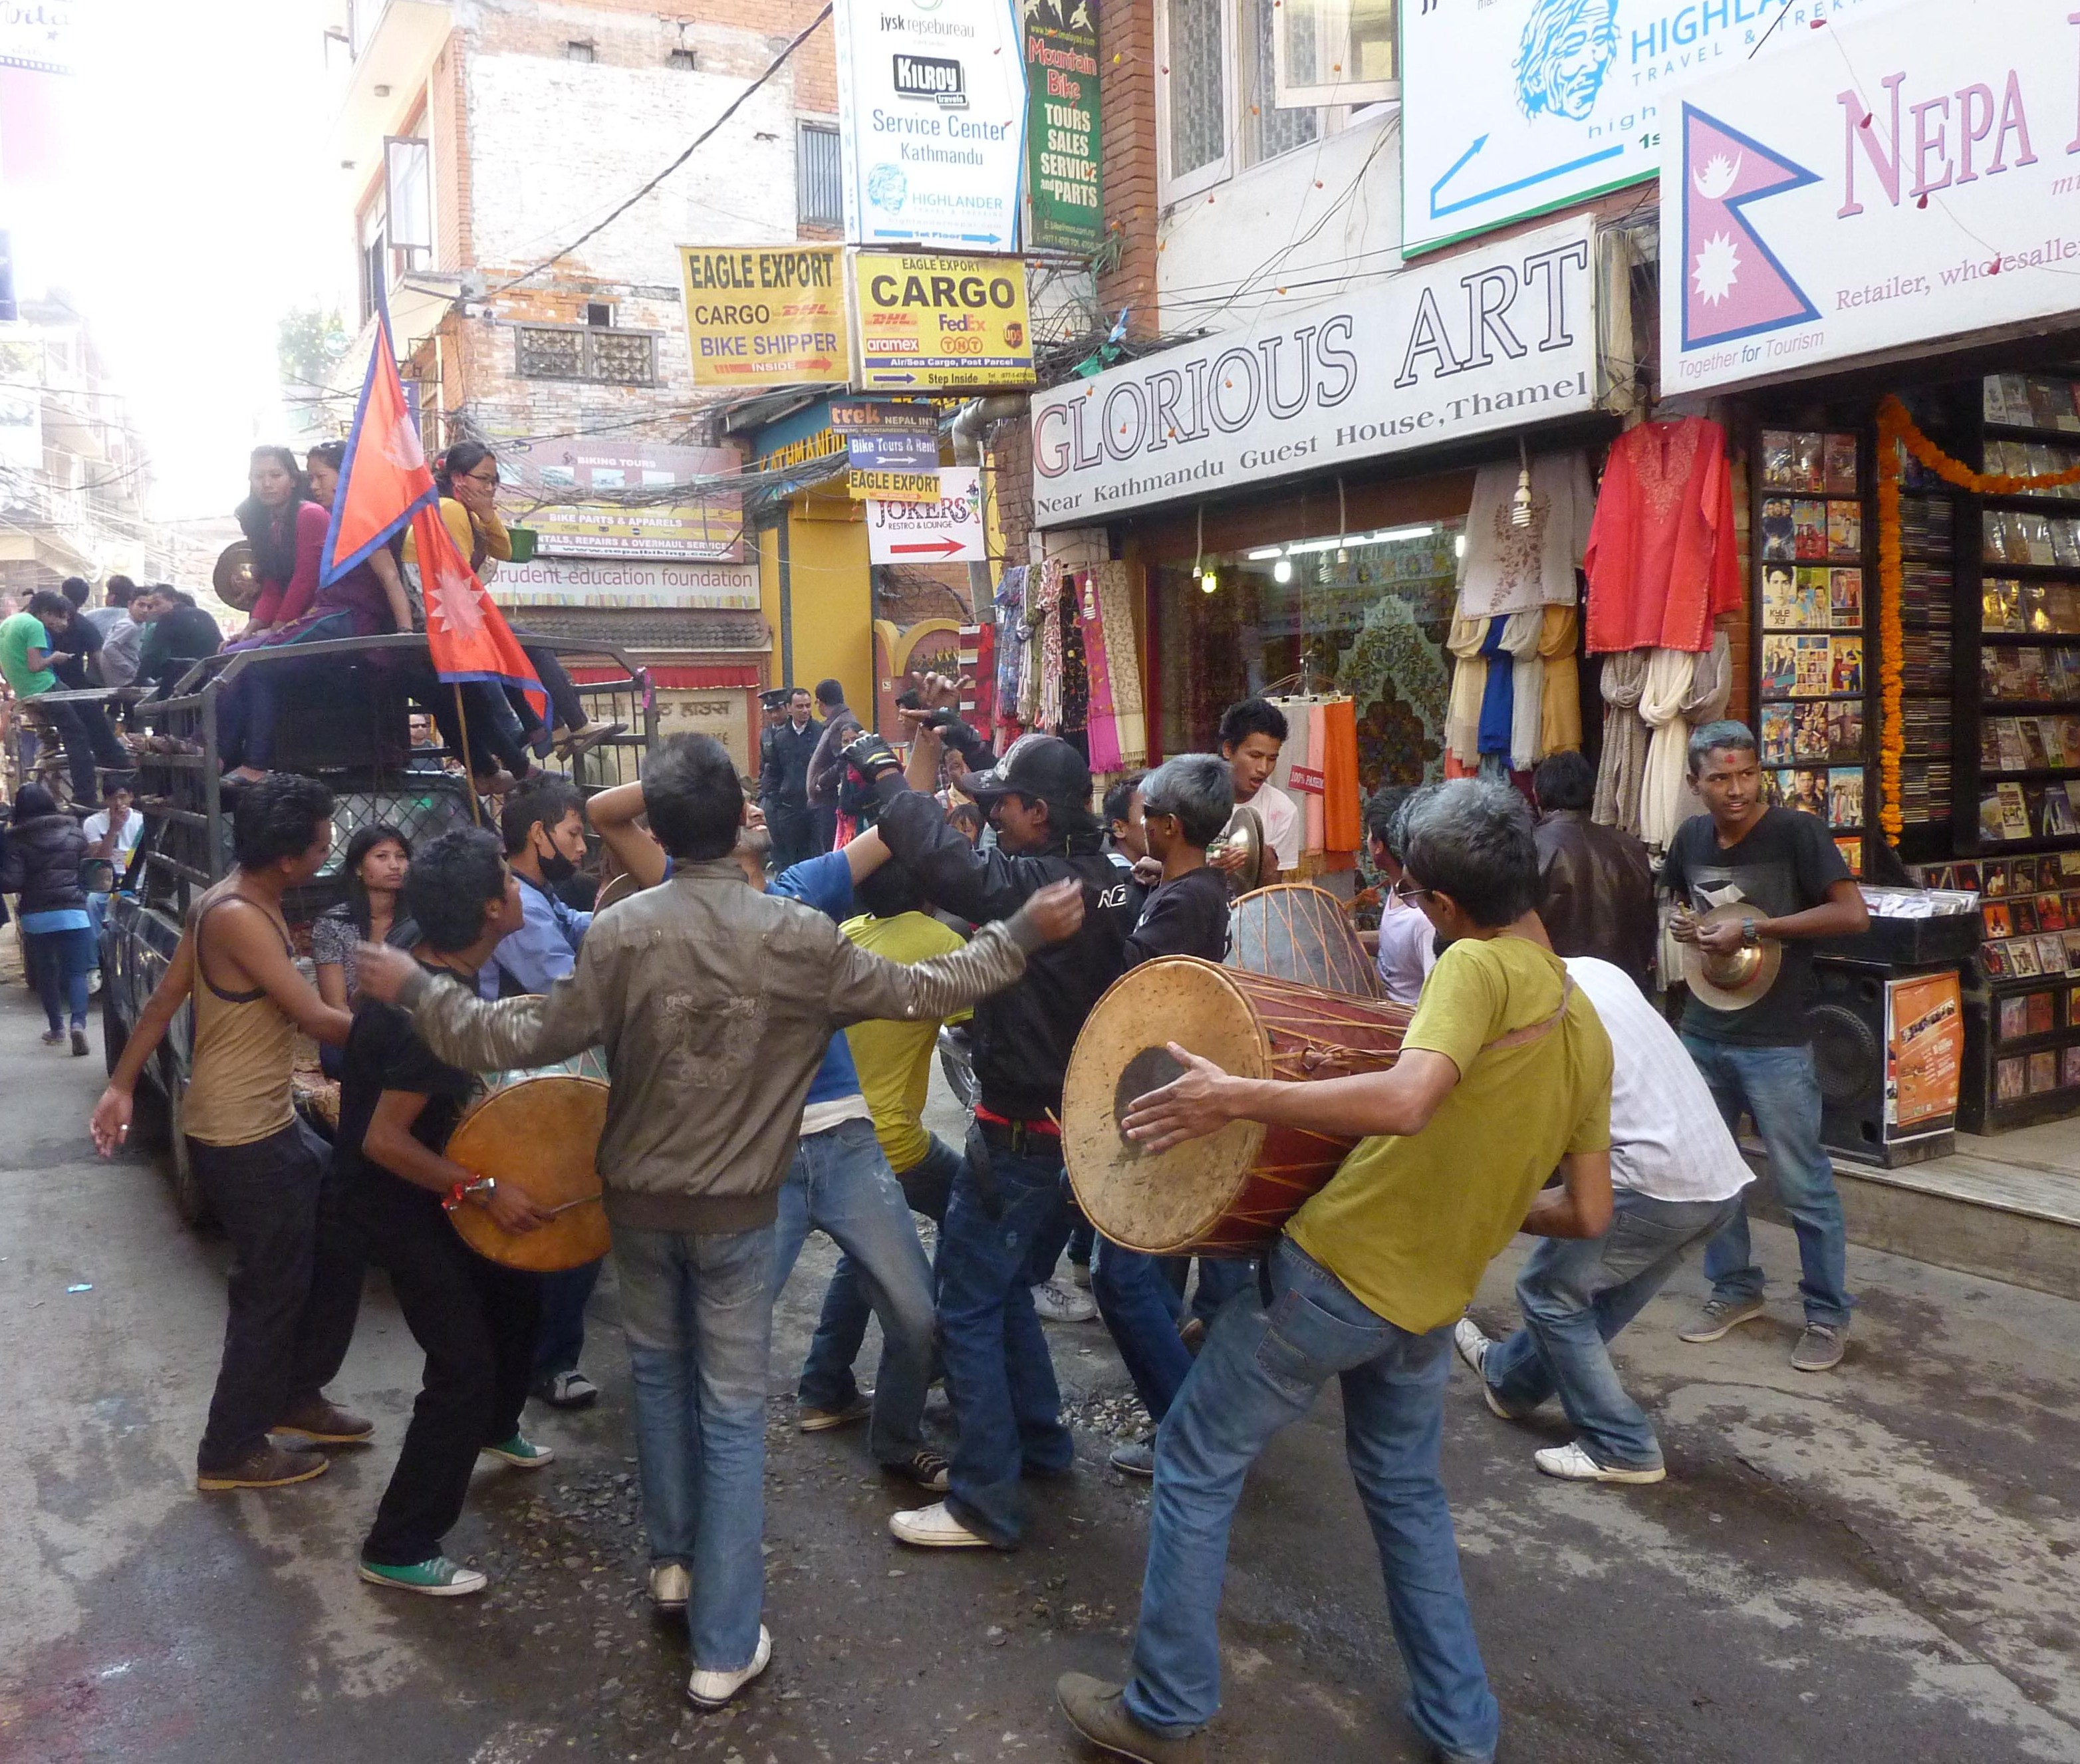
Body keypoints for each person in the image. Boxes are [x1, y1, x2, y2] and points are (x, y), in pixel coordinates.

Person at [353, 732, 1083, 1706]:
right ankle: (724, 1643)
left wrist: (416, 988)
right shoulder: (796, 934)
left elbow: (512, 1034)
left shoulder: (622, 931)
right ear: (740, 815)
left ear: (655, 827)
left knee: (662, 1383)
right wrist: (1021, 930)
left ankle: (674, 1565)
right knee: (731, 1412)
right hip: (738, 1207)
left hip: (639, 1206)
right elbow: (929, 988)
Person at [1055, 779, 1614, 1764]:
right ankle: (1462, 1731)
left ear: (1442, 904)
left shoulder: (1474, 966)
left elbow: (1406, 1100)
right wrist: (1480, 1198)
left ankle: (1164, 1708)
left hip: (1335, 1274)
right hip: (1428, 1300)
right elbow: (1586, 1212)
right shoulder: (1586, 1022)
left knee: (1194, 1456)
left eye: (1415, 896)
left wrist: (1238, 1094)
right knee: (1405, 1495)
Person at [585, 773, 955, 1488]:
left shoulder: (802, 889)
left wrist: (920, 750)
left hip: (847, 1142)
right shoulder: (677, 892)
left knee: (916, 1316)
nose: (755, 808)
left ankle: (896, 1437)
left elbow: (901, 815)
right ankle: (700, 1482)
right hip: (757, 1158)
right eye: (739, 806)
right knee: (721, 1337)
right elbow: (604, 811)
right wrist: (699, 776)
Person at [858, 722, 1146, 1552]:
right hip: (1062, 1123)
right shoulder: (1111, 880)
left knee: (966, 1303)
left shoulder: (1042, 884)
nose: (990, 817)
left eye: (1003, 805)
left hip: (1021, 1128)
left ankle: (983, 1499)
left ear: (1038, 813)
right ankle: (1039, 1441)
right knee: (1004, 1286)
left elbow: (948, 865)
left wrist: (889, 775)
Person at [89, 773, 368, 1491]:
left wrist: (121, 1083)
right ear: (289, 857)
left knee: (340, 1230)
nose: (329, 848)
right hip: (242, 1135)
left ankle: (296, 1392)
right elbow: (317, 1017)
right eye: (323, 841)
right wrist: (425, 1024)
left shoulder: (236, 897)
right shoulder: (236, 914)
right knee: (270, 1289)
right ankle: (230, 1448)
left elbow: (162, 1000)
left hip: (269, 1120)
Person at [337, 828, 557, 1597]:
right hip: (393, 1198)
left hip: (430, 1179)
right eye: (509, 880)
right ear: (491, 910)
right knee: (461, 1365)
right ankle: (398, 1541)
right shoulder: (432, 1018)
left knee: (517, 1289)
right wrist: (484, 1188)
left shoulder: (429, 958)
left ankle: (495, 1426)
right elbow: (383, 1140)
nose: (520, 889)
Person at [1452, 953, 1754, 1483]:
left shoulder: (1530, 1009)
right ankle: (1511, 1380)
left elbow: (1531, 1132)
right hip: (1715, 1178)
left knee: (1549, 1292)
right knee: (1600, 1293)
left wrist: (1488, 1202)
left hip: (1654, 1182)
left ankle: (1622, 1443)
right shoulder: (1592, 968)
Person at [1664, 719, 1870, 1374]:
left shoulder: (1796, 832)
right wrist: (1687, 926)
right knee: (1711, 1174)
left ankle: (1826, 1314)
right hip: (1703, 1031)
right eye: (1720, 778)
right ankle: (1734, 1290)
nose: (1736, 789)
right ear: (1694, 782)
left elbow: (1852, 914)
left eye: (1747, 774)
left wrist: (1754, 927)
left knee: (1802, 1183)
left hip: (1777, 1041)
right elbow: (1683, 903)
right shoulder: (1690, 838)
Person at [1088, 755, 1237, 1479]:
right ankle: (1191, 1402)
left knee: (1118, 1274)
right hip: (1164, 1092)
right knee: (1143, 1267)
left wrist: (1101, 912)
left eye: (1146, 816)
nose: (1137, 827)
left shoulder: (1185, 902)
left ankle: (1189, 1433)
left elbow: (1131, 975)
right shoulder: (1193, 889)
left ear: (1170, 826)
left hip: (1159, 1096)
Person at [476, 775, 600, 1410]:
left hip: (538, 1072)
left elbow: (578, 925)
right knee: (568, 1211)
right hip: (523, 1082)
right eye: (574, 833)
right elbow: (565, 987)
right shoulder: (516, 904)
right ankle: (548, 1362)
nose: (581, 847)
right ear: (537, 833)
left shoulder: (537, 894)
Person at [402, 443, 618, 763]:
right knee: (532, 646)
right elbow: (455, 577)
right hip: (439, 615)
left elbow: (504, 550)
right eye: (482, 479)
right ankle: (574, 726)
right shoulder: (450, 510)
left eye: (494, 481)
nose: (489, 488)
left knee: (521, 647)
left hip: (447, 610)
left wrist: (487, 513)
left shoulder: (463, 511)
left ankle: (557, 731)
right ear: (458, 478)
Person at [1531, 749, 1656, 993]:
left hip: (1556, 993)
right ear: (1592, 795)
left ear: (1536, 795)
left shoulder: (1527, 849)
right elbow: (1646, 929)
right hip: (1622, 990)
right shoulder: (1631, 847)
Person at [0, 589, 132, 805]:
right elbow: (35, 665)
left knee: (86, 707)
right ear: (45, 613)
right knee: (77, 735)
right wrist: (54, 657)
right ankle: (86, 796)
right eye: (59, 617)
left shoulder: (9, 623)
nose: (63, 623)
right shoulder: (34, 626)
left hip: (27, 689)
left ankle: (111, 761)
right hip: (44, 686)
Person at [2, 783, 94, 1053]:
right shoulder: (75, 833)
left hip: (37, 917)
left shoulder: (16, 840)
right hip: (74, 912)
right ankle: (78, 1024)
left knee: (47, 974)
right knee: (76, 973)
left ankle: (57, 1029)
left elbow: (12, 881)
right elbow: (89, 871)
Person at [313, 823, 411, 1077]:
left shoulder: (418, 921)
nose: (395, 865)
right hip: (352, 1029)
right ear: (358, 868)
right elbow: (336, 1005)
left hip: (409, 1032)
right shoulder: (333, 924)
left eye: (401, 857)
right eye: (382, 857)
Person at [1366, 784, 1438, 1007]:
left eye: (1369, 834)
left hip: (1400, 1024)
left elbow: (1435, 1001)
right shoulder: (1399, 887)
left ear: (1379, 846)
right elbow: (1395, 943)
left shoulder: (1425, 918)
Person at [1216, 697, 1300, 881]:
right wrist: (1209, 868)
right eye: (1255, 756)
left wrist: (1262, 863)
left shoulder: (1283, 811)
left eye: (1272, 759)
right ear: (1228, 749)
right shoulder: (1194, 797)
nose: (1263, 768)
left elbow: (1272, 892)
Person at [758, 685, 821, 870]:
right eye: (800, 706)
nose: (805, 711)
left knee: (817, 856)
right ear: (790, 708)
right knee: (791, 859)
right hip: (789, 808)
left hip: (816, 806)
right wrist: (775, 799)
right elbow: (772, 771)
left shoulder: (821, 733)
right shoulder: (780, 737)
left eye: (808, 706)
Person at [81, 777, 142, 956]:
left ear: (131, 797)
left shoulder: (141, 821)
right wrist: (113, 830)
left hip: (136, 881)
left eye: (122, 797)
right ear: (106, 800)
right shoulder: (93, 823)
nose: (118, 803)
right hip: (108, 883)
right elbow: (99, 860)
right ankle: (96, 956)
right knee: (93, 902)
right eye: (113, 798)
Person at [805, 677, 862, 852]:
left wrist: (822, 782)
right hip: (825, 801)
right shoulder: (837, 721)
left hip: (831, 802)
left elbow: (845, 761)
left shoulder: (841, 724)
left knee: (832, 852)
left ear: (820, 703)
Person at [133, 587, 223, 691]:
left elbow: (152, 655)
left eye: (158, 604)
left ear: (173, 600)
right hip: (213, 676)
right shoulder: (204, 614)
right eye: (151, 607)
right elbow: (221, 645)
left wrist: (137, 682)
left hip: (187, 679)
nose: (154, 610)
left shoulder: (168, 618)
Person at [44, 576, 106, 690]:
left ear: (62, 593)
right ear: (84, 601)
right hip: (75, 683)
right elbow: (99, 657)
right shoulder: (85, 625)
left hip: (44, 680)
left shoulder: (45, 621)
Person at [84, 576, 144, 689]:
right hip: (128, 679)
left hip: (96, 679)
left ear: (112, 597)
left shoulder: (90, 616)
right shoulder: (139, 620)